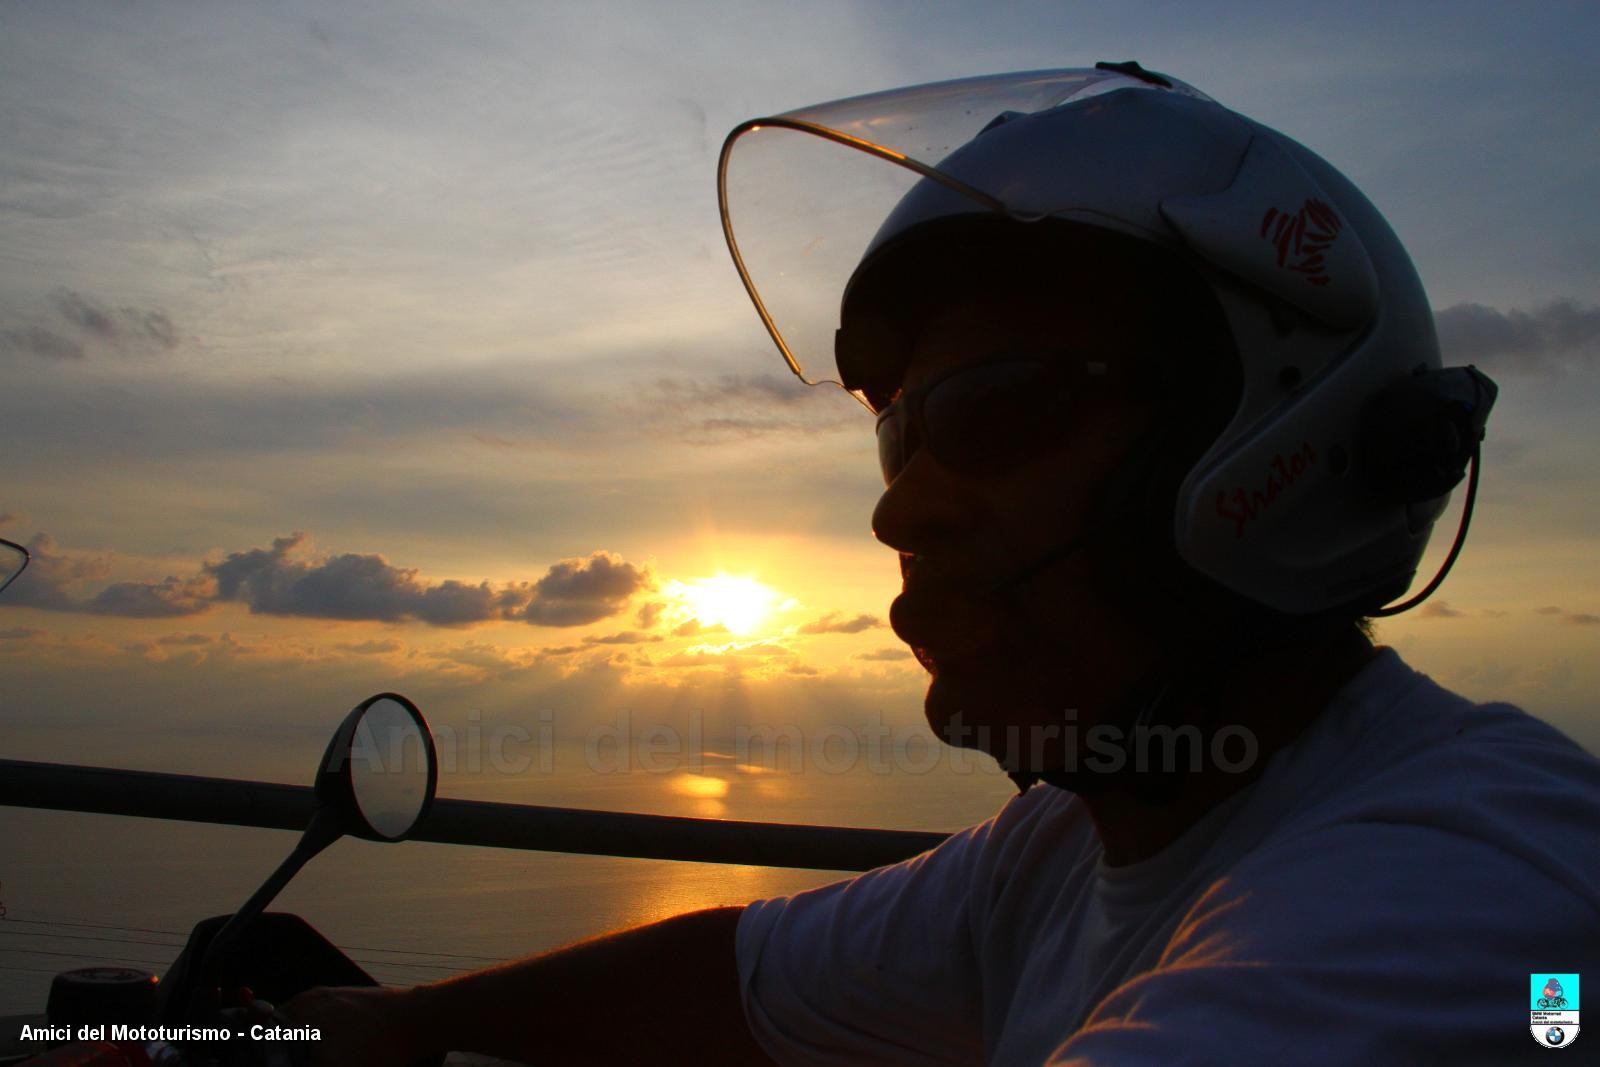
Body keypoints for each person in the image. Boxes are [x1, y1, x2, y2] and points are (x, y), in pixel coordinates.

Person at [286, 64, 1600, 1065]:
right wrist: (384, 1025)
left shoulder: (1475, 891)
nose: (900, 512)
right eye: (899, 435)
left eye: (994, 413)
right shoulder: (1066, 847)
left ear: (1278, 450)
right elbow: (743, 980)